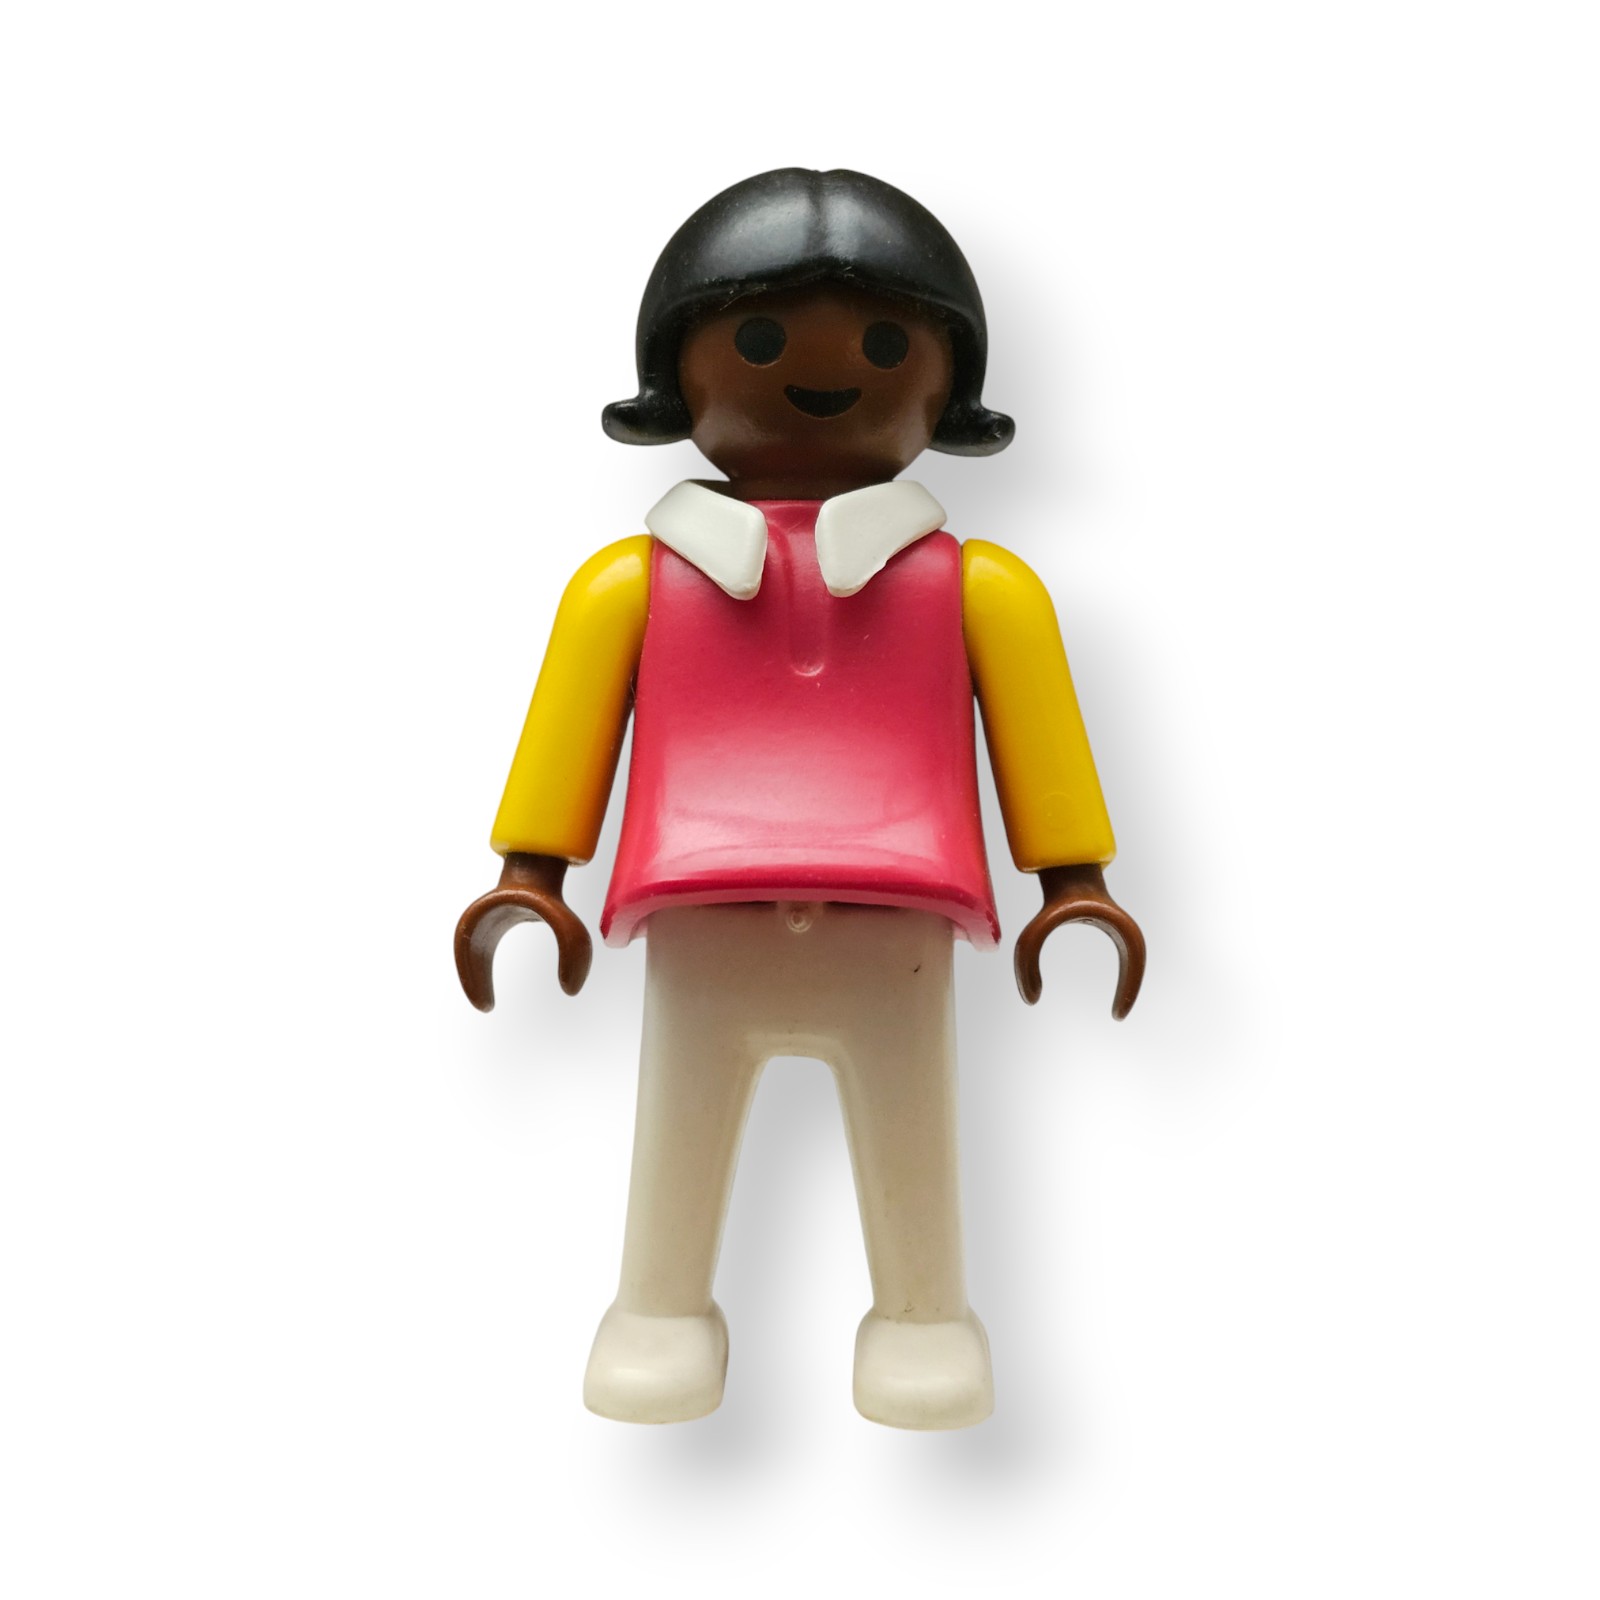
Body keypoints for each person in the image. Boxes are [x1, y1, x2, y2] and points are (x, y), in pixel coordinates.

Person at [455, 168, 1145, 1430]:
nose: (825, 374)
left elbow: (1038, 727)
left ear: (946, 386)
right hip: (700, 907)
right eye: (759, 340)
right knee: (682, 1118)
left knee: (908, 1120)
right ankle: (659, 1307)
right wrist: (530, 874)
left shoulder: (977, 587)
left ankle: (923, 1316)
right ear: (680, 374)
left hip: (897, 913)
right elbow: (570, 728)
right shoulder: (630, 585)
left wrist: (1074, 880)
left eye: (886, 347)